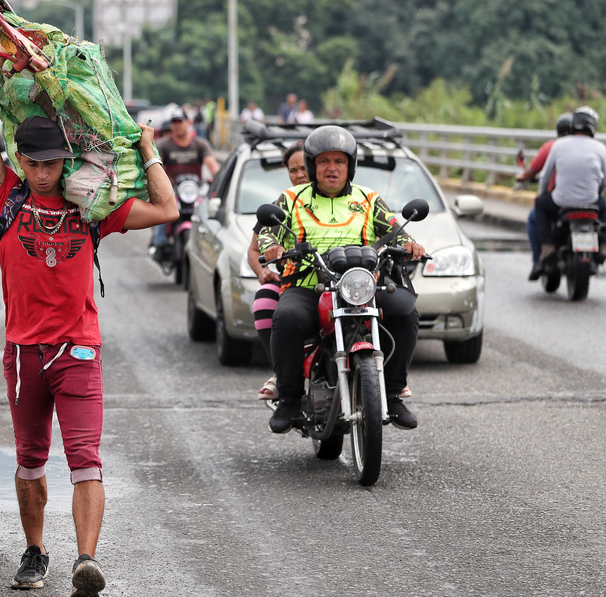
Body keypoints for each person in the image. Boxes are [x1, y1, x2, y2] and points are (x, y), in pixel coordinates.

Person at [0, 66, 178, 597]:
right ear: (22, 161)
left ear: (67, 164)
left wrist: (148, 149)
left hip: (77, 352)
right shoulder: (5, 199)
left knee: (85, 458)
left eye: (52, 163)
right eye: (33, 162)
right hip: (22, 354)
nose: (41, 171)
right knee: (30, 459)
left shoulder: (92, 209)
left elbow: (168, 208)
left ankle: (87, 560)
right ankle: (35, 550)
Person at [257, 125, 426, 434]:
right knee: (287, 318)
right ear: (312, 166)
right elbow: (268, 233)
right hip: (308, 285)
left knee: (406, 311)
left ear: (351, 165)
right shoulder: (292, 198)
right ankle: (291, 398)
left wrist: (410, 245)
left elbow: (394, 230)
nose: (331, 168)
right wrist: (273, 248)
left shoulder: (367, 199)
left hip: (361, 285)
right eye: (323, 161)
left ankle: (393, 393)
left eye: (339, 161)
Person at [246, 141, 309, 400]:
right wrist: (263, 272)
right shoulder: (280, 206)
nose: (300, 175)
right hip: (291, 283)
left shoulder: (348, 202)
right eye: (293, 171)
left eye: (305, 168)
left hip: (340, 282)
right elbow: (252, 251)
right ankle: (281, 373)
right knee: (263, 300)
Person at [533, 105, 606, 266]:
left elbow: (545, 175)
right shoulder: (601, 148)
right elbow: (604, 179)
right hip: (591, 201)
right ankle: (603, 245)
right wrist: (597, 192)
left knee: (540, 204)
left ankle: (547, 247)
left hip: (561, 201)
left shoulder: (559, 145)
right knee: (604, 209)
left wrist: (542, 192)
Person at [149, 108, 220, 258]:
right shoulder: (164, 145)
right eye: (174, 122)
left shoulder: (200, 144)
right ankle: (159, 243)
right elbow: (156, 166)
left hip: (195, 190)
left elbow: (212, 165)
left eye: (180, 122)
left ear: (188, 123)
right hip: (172, 189)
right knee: (163, 211)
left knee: (211, 210)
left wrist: (217, 178)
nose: (177, 125)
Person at [516, 112, 572, 280]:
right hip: (588, 201)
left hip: (558, 201)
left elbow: (535, 173)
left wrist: (523, 177)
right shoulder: (592, 147)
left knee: (535, 216)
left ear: (558, 131)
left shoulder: (553, 147)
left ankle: (539, 259)